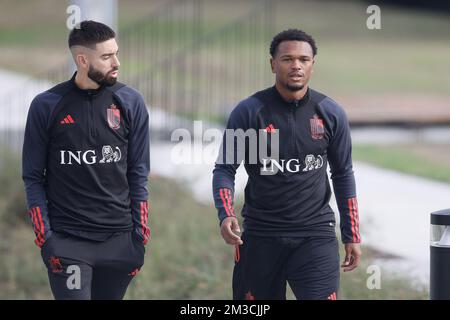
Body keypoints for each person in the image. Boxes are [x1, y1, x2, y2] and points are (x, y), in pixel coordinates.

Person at [212, 29, 361, 300]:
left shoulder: (330, 113)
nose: (296, 66)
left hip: (315, 234)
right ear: (272, 64)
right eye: (287, 59)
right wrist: (226, 215)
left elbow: (342, 174)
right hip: (260, 235)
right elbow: (225, 169)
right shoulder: (249, 112)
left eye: (304, 59)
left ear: (313, 65)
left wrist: (351, 233)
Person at [22, 20, 150, 300]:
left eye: (116, 53)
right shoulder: (46, 105)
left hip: (119, 243)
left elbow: (138, 172)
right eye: (106, 57)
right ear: (82, 60)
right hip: (69, 245)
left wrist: (140, 237)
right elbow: (32, 177)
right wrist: (47, 238)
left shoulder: (130, 101)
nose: (116, 62)